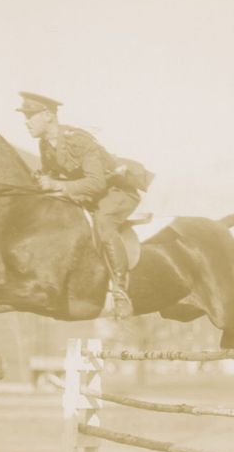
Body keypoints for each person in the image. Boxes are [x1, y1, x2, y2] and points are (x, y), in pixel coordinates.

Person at [16, 91, 141, 319]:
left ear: (47, 116)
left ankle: (121, 290)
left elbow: (96, 182)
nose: (26, 122)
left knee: (103, 223)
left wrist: (54, 183)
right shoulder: (45, 144)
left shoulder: (77, 139)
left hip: (117, 191)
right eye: (25, 116)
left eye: (30, 115)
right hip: (92, 193)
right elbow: (53, 175)